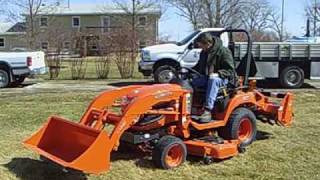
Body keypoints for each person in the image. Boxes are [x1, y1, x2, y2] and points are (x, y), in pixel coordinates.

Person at [192, 33, 237, 123]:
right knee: (191, 81)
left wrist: (218, 73)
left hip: (223, 79)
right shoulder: (204, 53)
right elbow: (198, 67)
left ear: (208, 44)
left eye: (202, 46)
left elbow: (230, 70)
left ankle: (207, 110)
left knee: (213, 80)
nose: (201, 48)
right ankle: (192, 106)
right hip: (207, 77)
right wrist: (188, 72)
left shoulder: (223, 51)